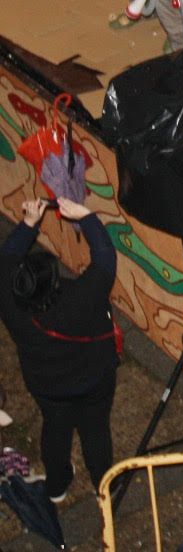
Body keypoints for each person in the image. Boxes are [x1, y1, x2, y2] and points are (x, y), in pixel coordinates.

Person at [0, 194, 117, 505]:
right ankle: (104, 487)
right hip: (93, 379)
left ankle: (56, 486)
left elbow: (6, 258)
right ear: (54, 283)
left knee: (55, 428)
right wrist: (87, 217)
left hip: (46, 384)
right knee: (95, 433)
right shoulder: (80, 298)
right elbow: (105, 258)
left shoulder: (9, 299)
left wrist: (28, 223)